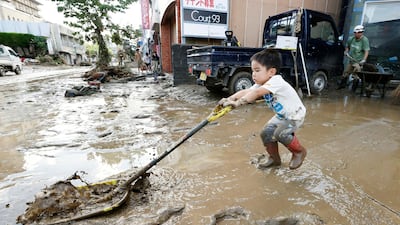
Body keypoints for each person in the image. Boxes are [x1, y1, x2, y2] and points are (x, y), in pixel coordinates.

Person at [219, 49, 307, 170]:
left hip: (294, 115)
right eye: (252, 71)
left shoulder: (276, 81)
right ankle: (274, 158)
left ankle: (299, 152)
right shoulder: (261, 83)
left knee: (280, 134)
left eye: (257, 70)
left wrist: (238, 103)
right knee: (266, 133)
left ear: (271, 71)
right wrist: (229, 99)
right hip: (282, 115)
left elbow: (257, 93)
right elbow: (247, 91)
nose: (253, 74)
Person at [337, 25, 370, 90]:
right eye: (354, 33)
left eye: (357, 33)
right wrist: (346, 51)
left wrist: (364, 60)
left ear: (360, 33)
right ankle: (341, 86)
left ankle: (353, 89)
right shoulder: (351, 39)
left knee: (356, 75)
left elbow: (367, 51)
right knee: (346, 73)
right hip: (351, 60)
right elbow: (347, 46)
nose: (355, 34)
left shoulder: (364, 40)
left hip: (358, 62)